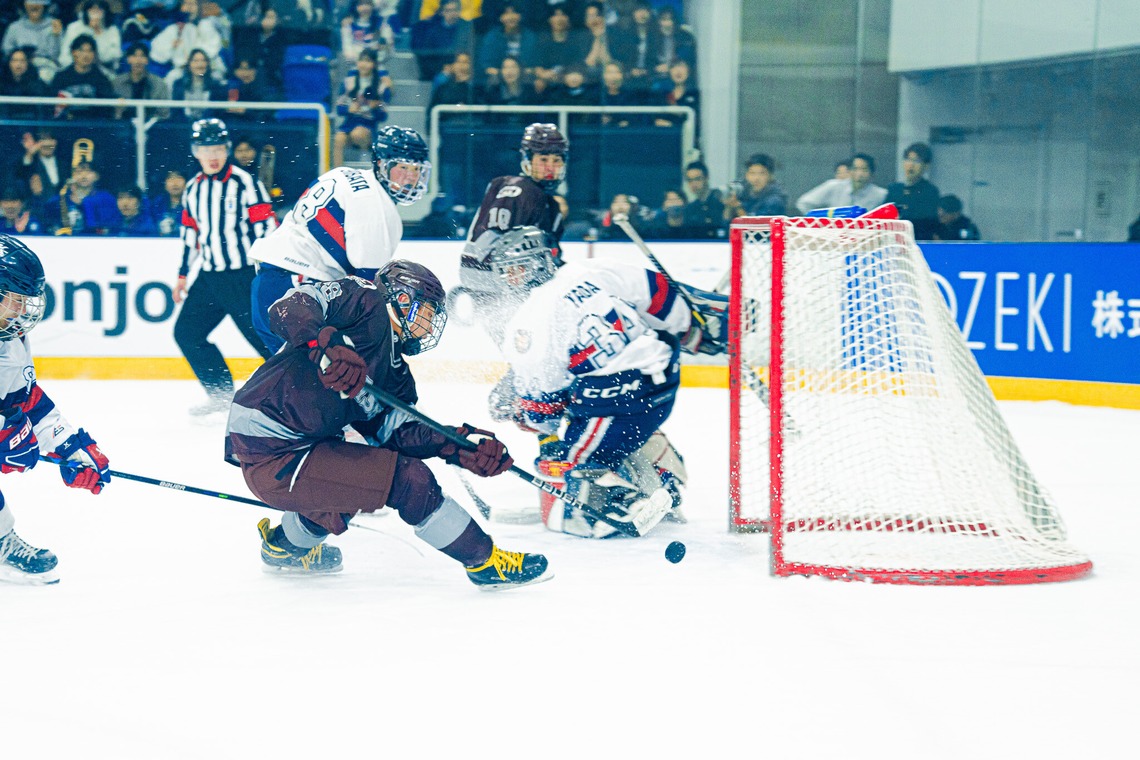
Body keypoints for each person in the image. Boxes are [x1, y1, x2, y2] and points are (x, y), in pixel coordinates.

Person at [226, 259, 551, 587]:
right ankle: (484, 561)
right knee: (408, 479)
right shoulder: (363, 300)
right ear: (403, 299)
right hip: (267, 441)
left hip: (304, 445)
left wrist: (457, 445)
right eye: (428, 311)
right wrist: (327, 343)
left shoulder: (396, 373)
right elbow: (289, 306)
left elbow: (396, 432)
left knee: (359, 483)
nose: (430, 324)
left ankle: (282, 548)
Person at [488, 226, 699, 538]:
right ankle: (662, 477)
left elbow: (544, 409)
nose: (511, 278)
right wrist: (689, 327)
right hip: (662, 380)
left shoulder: (531, 318)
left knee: (575, 461)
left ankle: (623, 504)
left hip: (623, 397)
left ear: (539, 263)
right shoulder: (586, 270)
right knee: (613, 432)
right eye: (506, 272)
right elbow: (654, 289)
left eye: (517, 269)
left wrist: (527, 416)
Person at [249, 125, 431, 355]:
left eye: (416, 169)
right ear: (381, 165)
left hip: (271, 282)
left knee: (293, 378)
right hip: (297, 291)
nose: (410, 177)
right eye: (402, 167)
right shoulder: (378, 210)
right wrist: (396, 336)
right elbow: (366, 290)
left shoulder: (343, 173)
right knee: (322, 379)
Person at [0, 234, 111, 585]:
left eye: (24, 301)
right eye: (14, 300)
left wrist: (68, 445)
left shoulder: (10, 340)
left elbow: (26, 400)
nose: (21, 311)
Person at [174, 117, 276, 415]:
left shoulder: (245, 183)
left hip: (243, 277)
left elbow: (266, 228)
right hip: (208, 278)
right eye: (206, 149)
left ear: (227, 149)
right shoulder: (192, 189)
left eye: (218, 148)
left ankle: (302, 398)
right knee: (187, 334)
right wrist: (182, 276)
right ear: (195, 152)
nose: (213, 155)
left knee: (266, 343)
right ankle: (220, 396)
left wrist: (268, 272)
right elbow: (190, 235)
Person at [459, 122, 569, 343]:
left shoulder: (548, 203)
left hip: (506, 292)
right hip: (501, 292)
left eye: (556, 160)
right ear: (527, 160)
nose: (550, 167)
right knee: (534, 356)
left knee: (531, 359)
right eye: (543, 159)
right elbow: (492, 247)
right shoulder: (520, 190)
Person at [332, 48, 392, 167]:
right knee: (338, 138)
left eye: (368, 61)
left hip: (368, 126)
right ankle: (337, 172)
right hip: (349, 123)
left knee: (357, 133)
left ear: (374, 64)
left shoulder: (381, 86)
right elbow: (339, 108)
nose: (363, 64)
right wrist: (349, 109)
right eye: (361, 60)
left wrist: (374, 107)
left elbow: (383, 116)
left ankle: (368, 159)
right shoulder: (349, 82)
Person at [795, 152, 887, 215]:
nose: (859, 174)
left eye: (864, 170)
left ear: (872, 173)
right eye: (855, 169)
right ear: (849, 171)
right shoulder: (833, 186)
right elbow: (803, 203)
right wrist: (821, 221)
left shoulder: (881, 195)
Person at [49, 33, 116, 118]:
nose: (86, 55)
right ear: (73, 52)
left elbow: (105, 110)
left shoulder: (101, 79)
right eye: (81, 50)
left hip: (92, 126)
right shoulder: (61, 77)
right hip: (67, 125)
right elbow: (51, 108)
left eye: (90, 51)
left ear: (94, 54)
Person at [885, 142, 940, 240]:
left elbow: (926, 222)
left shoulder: (930, 191)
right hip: (894, 242)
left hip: (919, 242)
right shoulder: (894, 189)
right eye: (908, 160)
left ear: (926, 166)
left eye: (917, 161)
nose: (911, 165)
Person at [49, 159, 118, 236]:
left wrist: (82, 203)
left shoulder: (106, 198)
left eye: (88, 171)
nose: (83, 175)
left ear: (97, 176)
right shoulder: (63, 198)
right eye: (79, 172)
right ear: (72, 176)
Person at [57, 0, 121, 76]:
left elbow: (115, 55)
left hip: (101, 71)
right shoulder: (73, 27)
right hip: (74, 70)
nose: (95, 14)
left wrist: (97, 33)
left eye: (99, 10)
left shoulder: (113, 30)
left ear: (105, 12)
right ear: (86, 12)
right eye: (92, 10)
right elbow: (64, 56)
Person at [112, 42, 172, 120]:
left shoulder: (159, 84)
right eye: (134, 56)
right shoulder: (117, 83)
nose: (138, 60)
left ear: (147, 60)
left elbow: (164, 113)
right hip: (124, 126)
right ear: (128, 59)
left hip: (151, 127)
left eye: (142, 56)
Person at [723, 153, 787, 220]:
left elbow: (757, 226)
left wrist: (738, 207)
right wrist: (729, 206)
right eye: (752, 173)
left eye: (762, 173)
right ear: (746, 175)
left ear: (770, 176)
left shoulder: (775, 199)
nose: (756, 178)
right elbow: (726, 223)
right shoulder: (744, 193)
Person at [1, 47, 50, 120]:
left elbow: (40, 111)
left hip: (30, 126)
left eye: (22, 61)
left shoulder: (37, 85)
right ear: (9, 63)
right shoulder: (2, 84)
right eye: (15, 60)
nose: (18, 64)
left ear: (27, 63)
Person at [681, 160, 725, 238]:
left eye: (697, 179)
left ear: (706, 178)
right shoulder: (689, 209)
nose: (693, 184)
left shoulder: (721, 201)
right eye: (689, 180)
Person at [149, 168, 186, 237]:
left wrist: (177, 228)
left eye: (179, 178)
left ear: (186, 183)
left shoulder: (192, 204)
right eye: (171, 178)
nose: (175, 183)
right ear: (165, 184)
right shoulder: (156, 204)